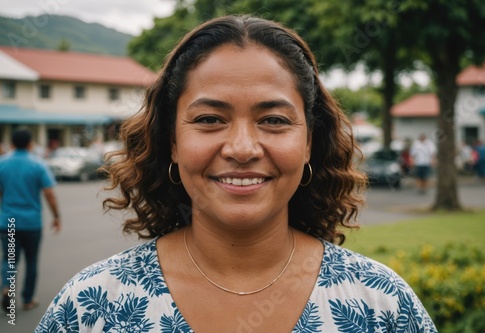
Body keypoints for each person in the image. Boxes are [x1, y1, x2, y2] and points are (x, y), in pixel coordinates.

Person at [35, 15, 437, 332]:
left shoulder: (381, 305)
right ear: (172, 142)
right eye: (210, 119)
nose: (242, 149)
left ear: (310, 141)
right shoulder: (89, 308)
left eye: (274, 120)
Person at [0, 129, 61, 312]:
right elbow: (49, 194)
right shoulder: (38, 164)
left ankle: (7, 288)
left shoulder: (2, 163)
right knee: (32, 261)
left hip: (8, 221)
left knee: (9, 259)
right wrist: (56, 216)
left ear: (11, 143)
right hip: (31, 222)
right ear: (30, 144)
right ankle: (27, 299)